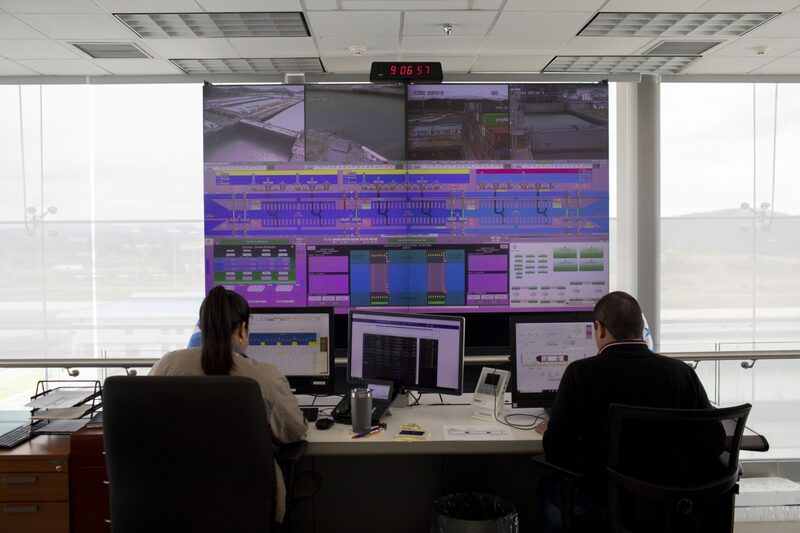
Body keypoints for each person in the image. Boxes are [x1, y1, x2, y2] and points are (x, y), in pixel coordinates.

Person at [537, 291, 716, 531]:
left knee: (549, 487)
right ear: (642, 327)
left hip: (602, 502)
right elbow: (713, 439)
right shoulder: (681, 373)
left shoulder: (580, 374)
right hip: (669, 505)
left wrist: (553, 431)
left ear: (599, 329)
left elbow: (556, 450)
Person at [150, 286, 307, 524]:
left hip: (171, 503)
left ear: (201, 327)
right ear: (243, 329)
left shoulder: (167, 366)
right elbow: (294, 432)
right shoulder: (262, 376)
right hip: (248, 506)